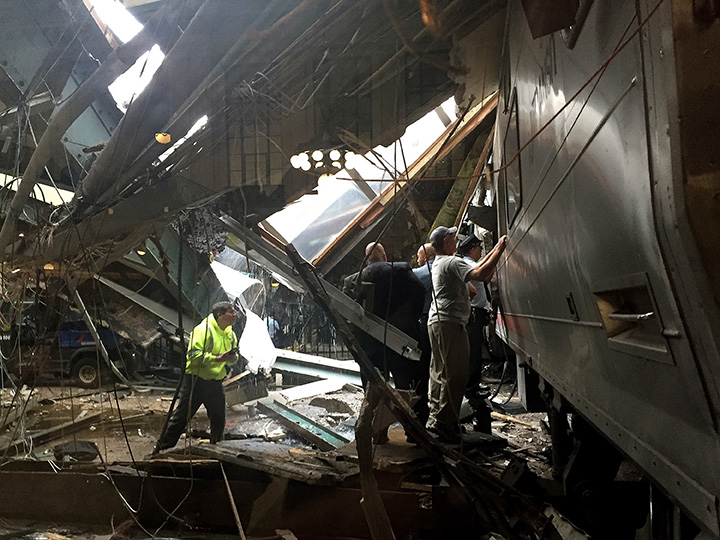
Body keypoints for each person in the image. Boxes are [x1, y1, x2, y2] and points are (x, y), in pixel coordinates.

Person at [426, 225, 507, 442]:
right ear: (446, 242)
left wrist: (494, 250)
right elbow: (481, 274)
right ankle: (446, 424)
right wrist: (500, 250)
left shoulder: (440, 262)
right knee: (456, 375)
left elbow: (478, 268)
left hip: (438, 321)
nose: (456, 240)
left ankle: (435, 419)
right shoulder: (451, 261)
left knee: (439, 372)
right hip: (450, 324)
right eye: (452, 237)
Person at [355, 242, 425, 442]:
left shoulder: (356, 279)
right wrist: (409, 319)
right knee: (406, 386)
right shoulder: (401, 271)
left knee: (373, 388)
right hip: (400, 341)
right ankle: (413, 433)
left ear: (366, 259)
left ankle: (378, 434)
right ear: (384, 255)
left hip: (370, 345)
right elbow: (419, 291)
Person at [157, 301, 239, 450]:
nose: (234, 315)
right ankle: (162, 449)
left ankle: (217, 448)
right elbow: (193, 356)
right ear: (219, 315)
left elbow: (233, 356)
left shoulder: (230, 333)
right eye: (231, 312)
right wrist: (218, 358)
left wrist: (233, 358)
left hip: (215, 382)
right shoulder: (203, 330)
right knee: (181, 418)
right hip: (196, 381)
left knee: (218, 419)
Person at [412, 242, 436, 426]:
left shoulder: (421, 273)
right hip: (441, 322)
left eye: (419, 256)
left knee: (421, 368)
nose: (417, 259)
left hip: (424, 321)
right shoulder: (445, 268)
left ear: (426, 257)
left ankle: (419, 414)